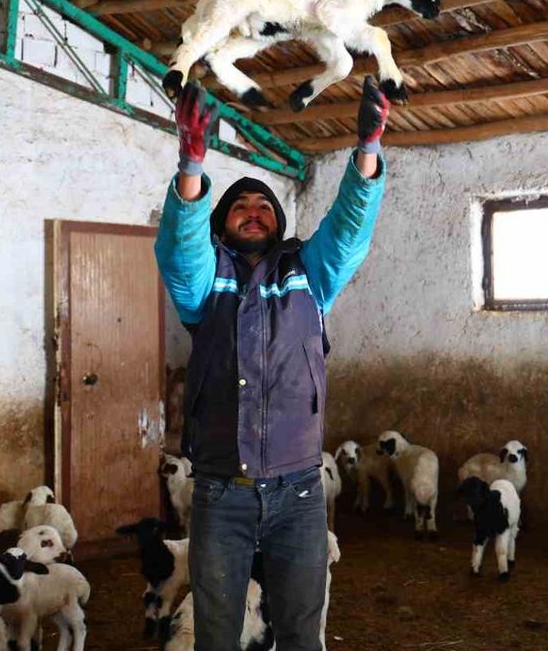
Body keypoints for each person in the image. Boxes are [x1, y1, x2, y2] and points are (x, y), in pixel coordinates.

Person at [153, 76, 390, 650]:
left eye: (264, 206)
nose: (253, 213)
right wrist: (191, 165)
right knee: (216, 635)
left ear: (279, 222)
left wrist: (369, 149)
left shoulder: (310, 273)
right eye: (240, 207)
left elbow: (349, 231)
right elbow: (180, 250)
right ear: (221, 223)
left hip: (300, 492)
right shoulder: (205, 283)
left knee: (302, 635)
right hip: (220, 492)